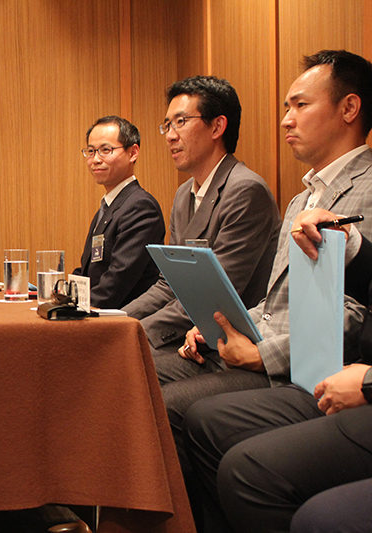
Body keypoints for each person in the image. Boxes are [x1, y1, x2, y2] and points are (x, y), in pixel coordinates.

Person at [180, 49, 372, 532]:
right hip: (273, 345)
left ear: (349, 108)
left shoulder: (369, 188)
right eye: (287, 107)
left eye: (300, 105)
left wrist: (260, 354)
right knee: (168, 395)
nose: (286, 119)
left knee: (187, 414)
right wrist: (222, 325)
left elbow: (354, 311)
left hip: (313, 365)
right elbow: (276, 299)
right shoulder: (302, 198)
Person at [122, 75, 280, 358]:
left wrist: (137, 333)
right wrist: (118, 320)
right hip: (189, 335)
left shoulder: (245, 190)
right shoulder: (184, 194)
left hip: (230, 347)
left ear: (217, 126)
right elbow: (169, 285)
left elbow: (214, 298)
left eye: (181, 122)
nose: (170, 135)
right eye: (167, 125)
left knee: (122, 365)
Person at [71, 115, 165, 309]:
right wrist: (64, 297)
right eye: (91, 151)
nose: (96, 160)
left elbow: (118, 279)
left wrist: (76, 308)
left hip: (124, 318)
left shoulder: (141, 206)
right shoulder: (108, 205)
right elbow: (88, 271)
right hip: (97, 312)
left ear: (133, 153)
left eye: (106, 150)